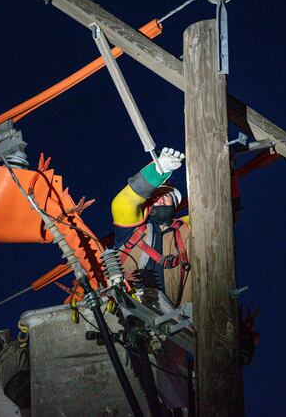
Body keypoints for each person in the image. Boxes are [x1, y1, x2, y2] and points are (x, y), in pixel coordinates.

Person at [111, 147, 192, 414]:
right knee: (136, 378)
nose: (158, 201)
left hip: (175, 318)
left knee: (176, 371)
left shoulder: (186, 231)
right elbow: (122, 203)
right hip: (129, 312)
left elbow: (222, 210)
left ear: (175, 204)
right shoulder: (133, 226)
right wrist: (157, 172)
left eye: (165, 198)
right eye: (154, 198)